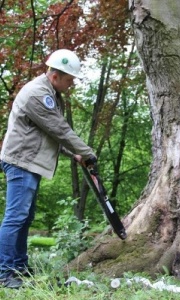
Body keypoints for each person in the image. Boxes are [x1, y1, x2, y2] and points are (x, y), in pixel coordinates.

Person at [0, 49, 96, 288]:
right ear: (56, 76)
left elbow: (44, 136)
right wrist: (86, 152)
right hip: (21, 162)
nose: (71, 84)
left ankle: (18, 266)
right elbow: (59, 130)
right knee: (16, 217)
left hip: (27, 162)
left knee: (24, 217)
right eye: (69, 79)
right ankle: (5, 272)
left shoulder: (48, 92)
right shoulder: (38, 94)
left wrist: (73, 154)